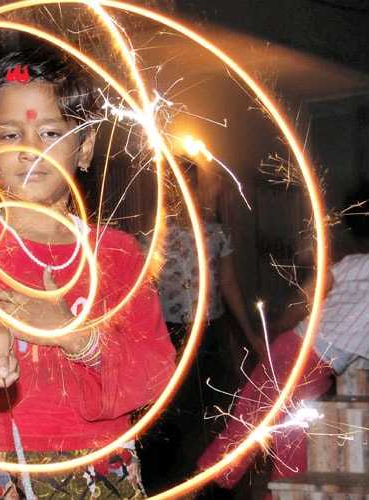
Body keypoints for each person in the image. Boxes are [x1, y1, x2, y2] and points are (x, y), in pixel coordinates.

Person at [0, 46, 176, 499]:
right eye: (10, 136)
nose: (29, 152)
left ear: (84, 147)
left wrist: (74, 336)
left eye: (49, 132)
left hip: (104, 465)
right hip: (4, 467)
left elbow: (154, 367)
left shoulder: (118, 254)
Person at [196, 184, 369, 496]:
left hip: (297, 354)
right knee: (276, 438)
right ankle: (210, 489)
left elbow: (308, 296)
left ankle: (216, 487)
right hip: (305, 361)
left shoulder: (355, 264)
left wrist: (278, 325)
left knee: (264, 432)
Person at [137, 164, 266, 493]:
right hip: (167, 334)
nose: (187, 194)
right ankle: (161, 484)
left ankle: (213, 484)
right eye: (178, 188)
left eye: (192, 187)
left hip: (209, 332)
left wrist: (250, 334)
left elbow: (229, 283)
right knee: (169, 412)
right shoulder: (152, 238)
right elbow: (140, 292)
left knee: (219, 408)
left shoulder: (215, 234)